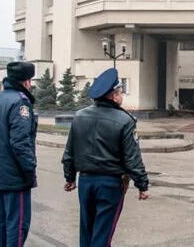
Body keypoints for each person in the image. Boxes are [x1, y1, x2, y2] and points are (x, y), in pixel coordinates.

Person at [62, 68, 149, 247]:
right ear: (113, 96)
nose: (121, 96)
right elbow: (132, 158)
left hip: (85, 181)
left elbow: (69, 152)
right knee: (103, 234)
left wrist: (70, 177)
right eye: (120, 92)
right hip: (110, 184)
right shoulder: (125, 120)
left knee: (87, 231)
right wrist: (142, 184)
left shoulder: (79, 116)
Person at [0, 61, 38, 247]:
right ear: (27, 81)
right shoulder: (21, 102)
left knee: (3, 221)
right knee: (18, 224)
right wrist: (29, 169)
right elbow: (20, 142)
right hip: (15, 174)